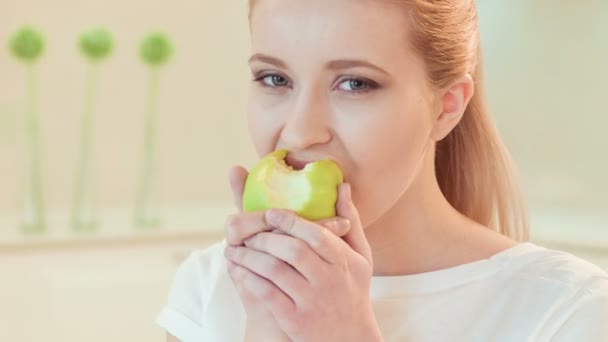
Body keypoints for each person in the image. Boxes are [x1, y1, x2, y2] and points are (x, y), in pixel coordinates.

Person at [156, 0, 608, 341]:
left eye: (355, 84)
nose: (298, 133)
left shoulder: (566, 311)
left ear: (446, 106)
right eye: (275, 79)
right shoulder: (210, 286)